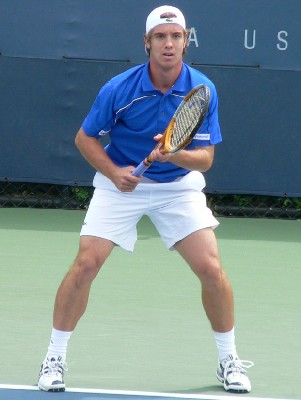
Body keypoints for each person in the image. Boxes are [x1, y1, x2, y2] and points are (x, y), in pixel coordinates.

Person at [38, 5, 253, 394]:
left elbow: (204, 160)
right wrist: (114, 173)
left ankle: (229, 360)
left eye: (176, 36)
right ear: (147, 43)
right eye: (160, 37)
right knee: (86, 263)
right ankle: (54, 358)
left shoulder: (202, 89)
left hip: (177, 187)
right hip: (120, 182)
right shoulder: (119, 88)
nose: (169, 44)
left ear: (186, 41)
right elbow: (84, 138)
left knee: (211, 268)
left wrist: (174, 155)